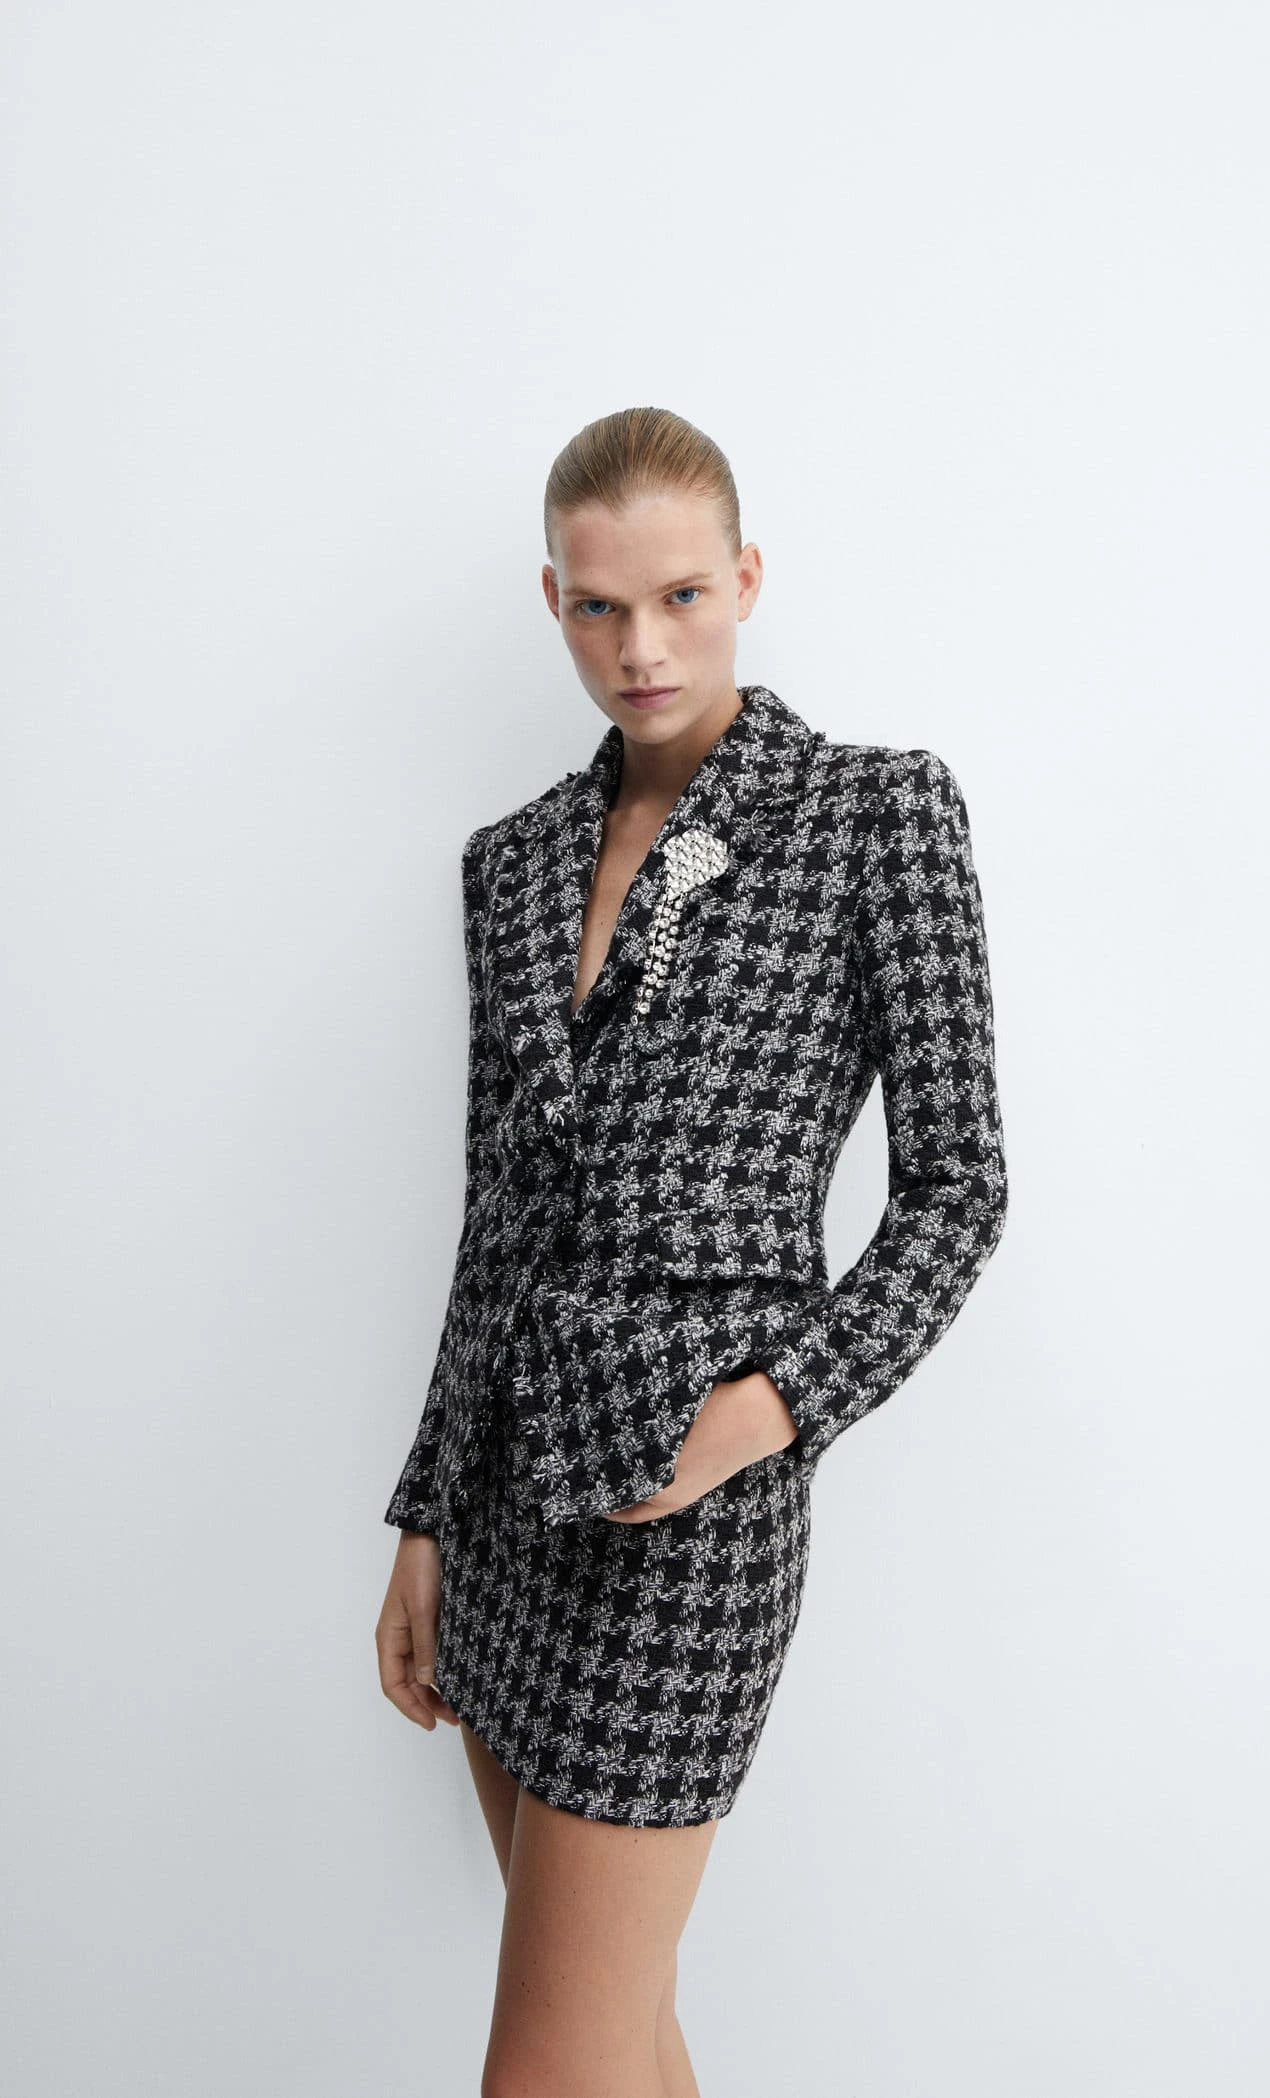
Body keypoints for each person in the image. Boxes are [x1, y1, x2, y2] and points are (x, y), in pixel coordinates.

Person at [375, 404, 1009, 2097]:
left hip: (695, 1517)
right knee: (622, 2043)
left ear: (746, 578)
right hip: (509, 1503)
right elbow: (497, 1218)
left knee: (547, 2068)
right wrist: (426, 1512)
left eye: (679, 597)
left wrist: (759, 1416)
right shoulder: (511, 865)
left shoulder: (872, 816)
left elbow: (959, 1192)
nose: (640, 647)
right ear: (554, 601)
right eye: (597, 606)